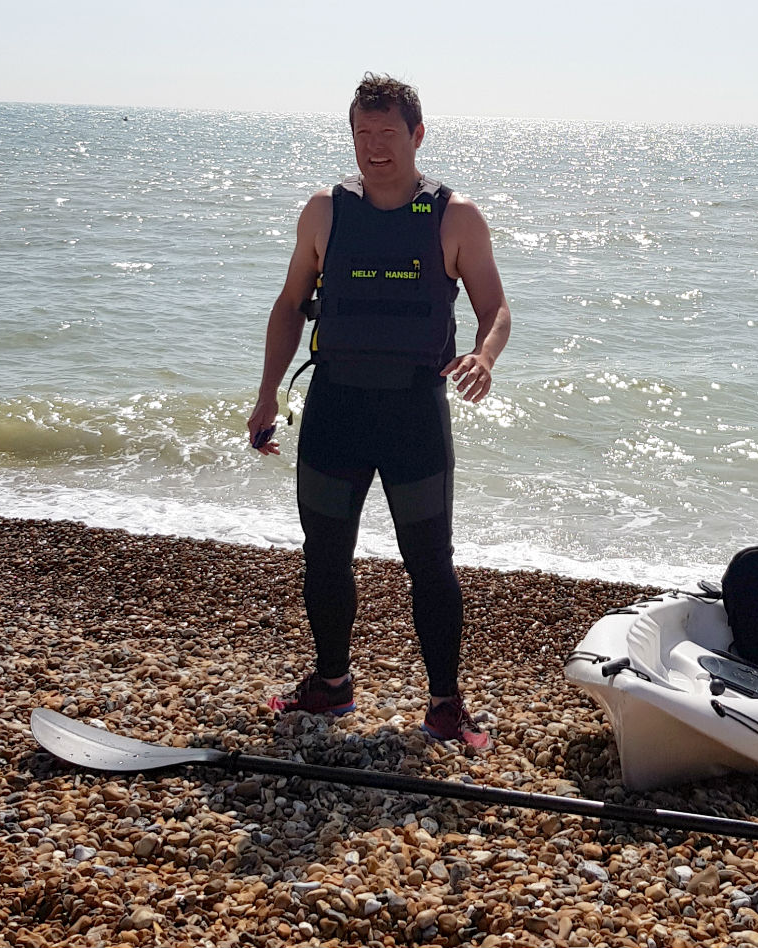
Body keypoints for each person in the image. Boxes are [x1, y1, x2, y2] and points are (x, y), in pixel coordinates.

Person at [247, 74, 511, 750]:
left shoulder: (456, 217)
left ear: (417, 135)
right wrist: (267, 394)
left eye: (387, 134)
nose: (373, 148)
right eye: (362, 135)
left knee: (430, 562)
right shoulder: (323, 212)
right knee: (325, 555)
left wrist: (484, 357)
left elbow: (495, 310)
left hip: (413, 416)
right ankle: (332, 684)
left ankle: (446, 704)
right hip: (335, 404)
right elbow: (287, 306)